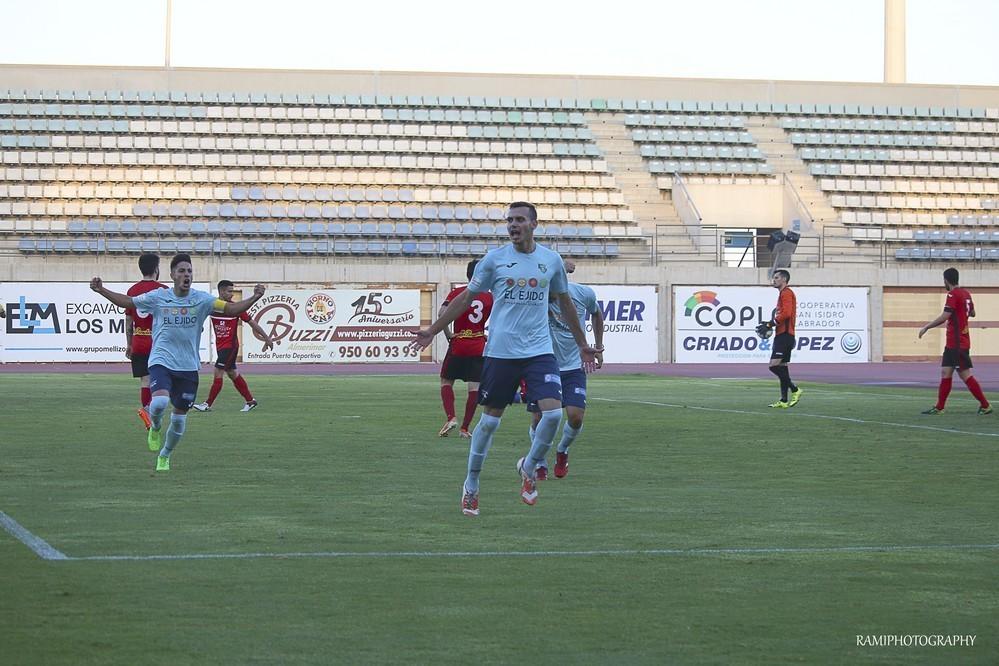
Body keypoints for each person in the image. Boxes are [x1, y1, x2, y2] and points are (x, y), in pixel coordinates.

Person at [410, 201, 597, 517]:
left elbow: (565, 304)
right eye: (509, 220)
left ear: (533, 224)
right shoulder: (494, 261)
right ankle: (471, 483)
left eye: (520, 220)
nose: (513, 225)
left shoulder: (550, 261)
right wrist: (433, 330)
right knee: (490, 422)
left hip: (539, 351)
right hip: (500, 353)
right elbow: (465, 299)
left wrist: (583, 344)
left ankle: (529, 466)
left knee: (552, 416)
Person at [90, 254, 266, 471]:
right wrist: (102, 290)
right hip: (161, 361)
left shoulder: (202, 300)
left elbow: (230, 309)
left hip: (188, 367)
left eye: (189, 271)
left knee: (179, 420)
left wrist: (255, 298)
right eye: (181, 271)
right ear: (172, 275)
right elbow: (128, 302)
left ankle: (165, 455)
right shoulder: (158, 296)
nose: (186, 275)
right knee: (160, 403)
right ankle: (154, 427)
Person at [526, 260, 604, 480]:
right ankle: (539, 459)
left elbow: (597, 314)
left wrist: (598, 347)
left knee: (576, 416)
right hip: (543, 364)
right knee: (539, 418)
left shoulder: (583, 294)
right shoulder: (537, 297)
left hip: (573, 366)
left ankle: (562, 450)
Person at [192, 280, 275, 413]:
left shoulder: (235, 308)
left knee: (218, 372)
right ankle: (250, 401)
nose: (232, 294)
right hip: (221, 347)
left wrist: (266, 338)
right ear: (221, 291)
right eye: (229, 291)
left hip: (230, 347)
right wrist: (198, 326)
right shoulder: (212, 306)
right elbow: (200, 315)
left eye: (232, 291)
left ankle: (207, 404)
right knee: (232, 373)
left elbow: (252, 323)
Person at [918, 267, 992, 415]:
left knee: (965, 375)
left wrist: (927, 327)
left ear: (946, 280)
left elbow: (945, 316)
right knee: (946, 372)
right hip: (956, 341)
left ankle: (985, 405)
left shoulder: (952, 294)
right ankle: (939, 407)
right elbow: (972, 312)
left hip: (957, 342)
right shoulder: (966, 294)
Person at [437, 259, 493, 439]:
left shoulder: (458, 293)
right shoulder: (489, 297)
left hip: (459, 342)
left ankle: (451, 417)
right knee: (474, 388)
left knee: (446, 381)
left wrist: (448, 335)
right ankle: (465, 428)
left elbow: (441, 314)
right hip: (478, 345)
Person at [125, 253, 168, 430]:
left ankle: (148, 416)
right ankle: (152, 411)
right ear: (156, 268)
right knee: (164, 382)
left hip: (139, 343)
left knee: (145, 380)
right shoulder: (164, 290)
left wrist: (129, 343)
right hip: (158, 344)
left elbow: (128, 322)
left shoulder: (132, 291)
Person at [762, 269, 802, 409]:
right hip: (784, 335)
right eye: (774, 277)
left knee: (773, 365)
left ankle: (795, 389)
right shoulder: (783, 294)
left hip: (784, 335)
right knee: (782, 368)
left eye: (777, 277)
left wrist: (770, 324)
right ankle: (784, 400)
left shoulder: (787, 293)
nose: (774, 280)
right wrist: (771, 324)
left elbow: (786, 313)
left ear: (784, 279)